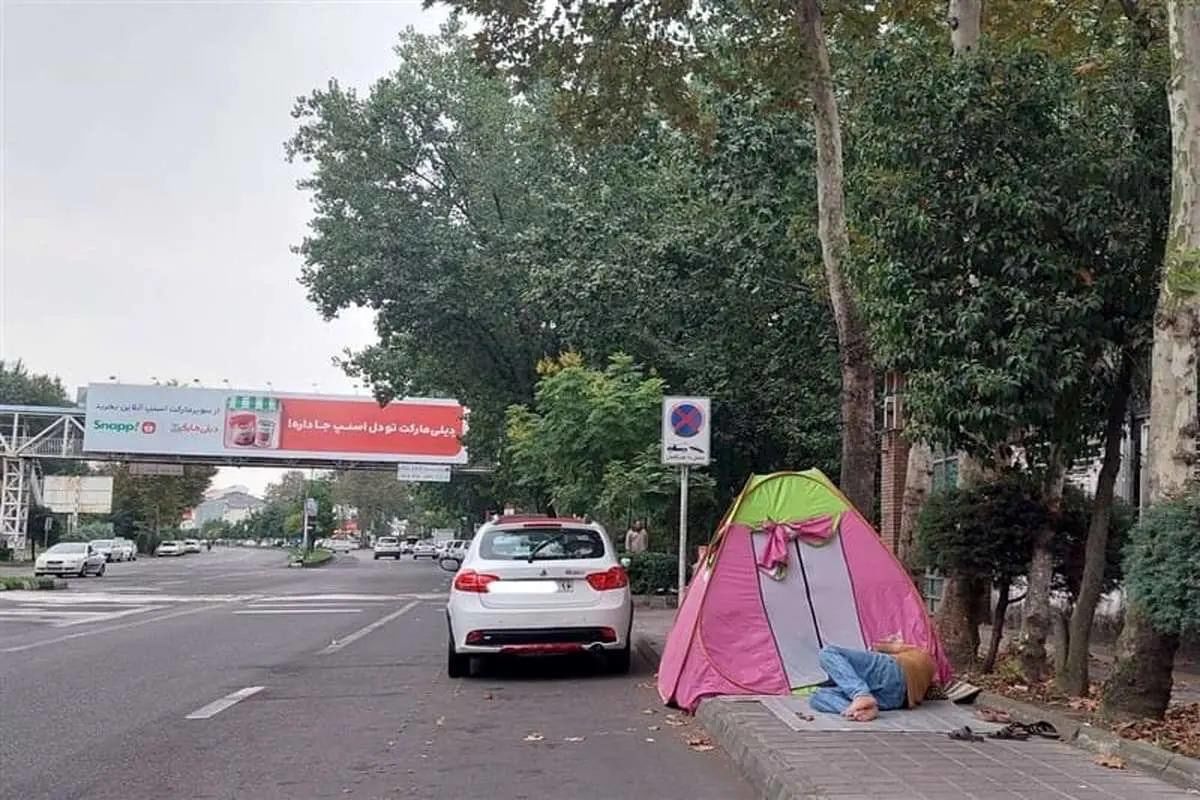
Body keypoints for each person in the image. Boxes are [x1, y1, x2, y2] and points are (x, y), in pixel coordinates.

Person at [810, 639, 937, 722]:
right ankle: (859, 711)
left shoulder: (916, 652)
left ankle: (861, 695)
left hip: (894, 669)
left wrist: (880, 644)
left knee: (828, 652)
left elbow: (884, 646)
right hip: (897, 699)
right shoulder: (923, 676)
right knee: (817, 696)